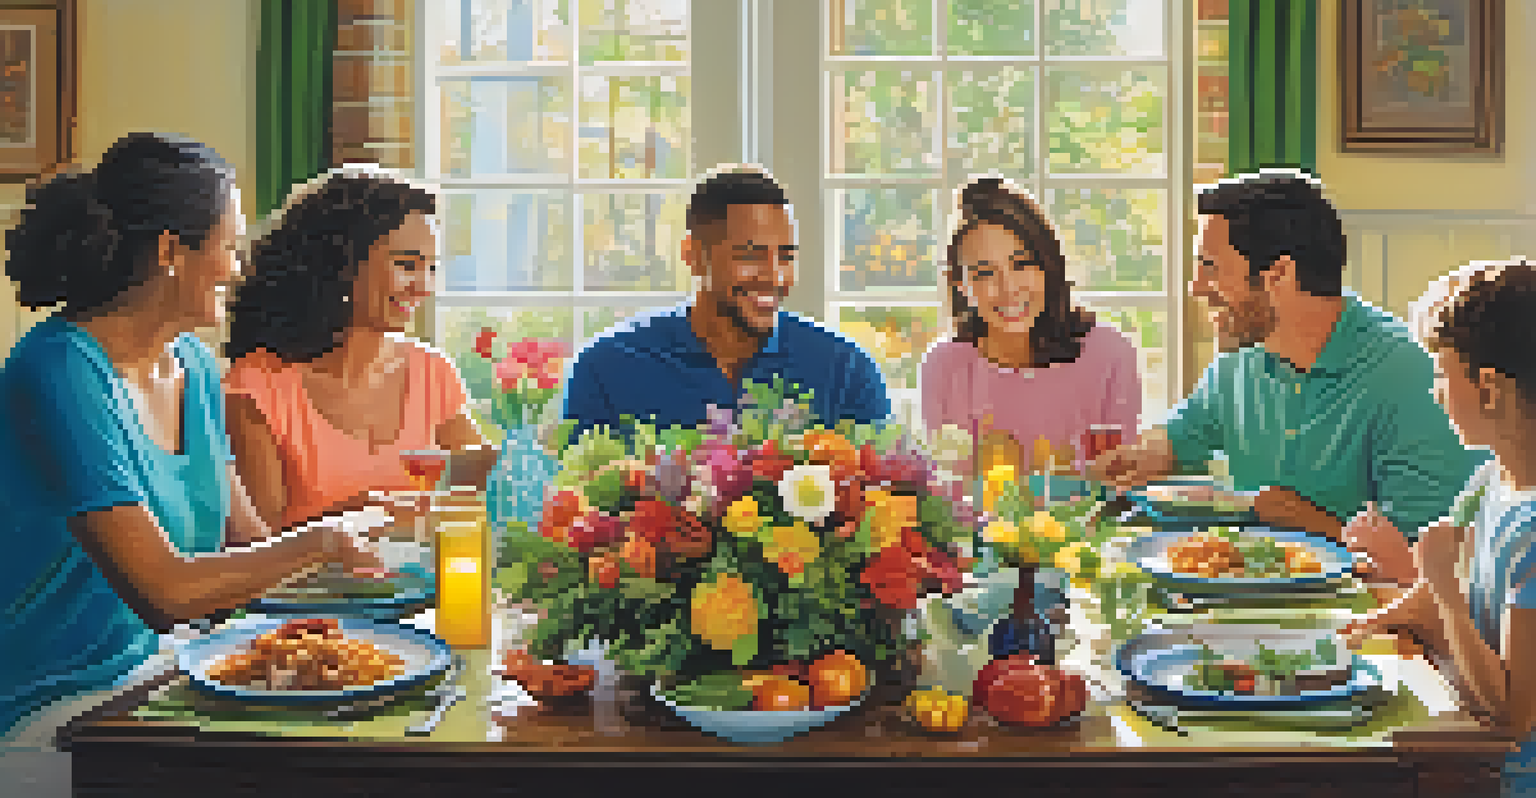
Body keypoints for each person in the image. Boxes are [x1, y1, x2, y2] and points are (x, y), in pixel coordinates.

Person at [0, 133, 377, 744]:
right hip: (56, 705)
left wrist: (386, 552)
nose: (239, 268)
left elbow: (248, 548)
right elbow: (166, 593)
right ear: (170, 251)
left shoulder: (195, 367)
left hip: (161, 674)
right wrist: (325, 542)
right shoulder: (60, 370)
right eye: (229, 247)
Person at [1088, 170, 1485, 553]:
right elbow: (1184, 433)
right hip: (1251, 588)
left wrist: (1304, 519)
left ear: (1279, 274)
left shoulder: (1410, 375)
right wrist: (1146, 456)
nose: (1196, 287)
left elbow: (1430, 561)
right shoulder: (1240, 362)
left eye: (1210, 267)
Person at [1341, 259, 1536, 795]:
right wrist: (1372, 623)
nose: (1434, 392)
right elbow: (1439, 592)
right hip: (1465, 748)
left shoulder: (1531, 535)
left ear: (1490, 390)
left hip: (1498, 781)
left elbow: (1512, 716)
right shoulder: (1490, 479)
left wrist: (1447, 595)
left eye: (1443, 375)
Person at [224, 168, 497, 532]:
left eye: (432, 268)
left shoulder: (432, 373)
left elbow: (486, 484)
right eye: (407, 265)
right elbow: (260, 541)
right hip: (312, 574)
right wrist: (363, 514)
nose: (423, 286)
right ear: (341, 264)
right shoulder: (259, 385)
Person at [563, 165, 890, 435]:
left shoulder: (846, 370)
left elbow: (883, 489)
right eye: (751, 256)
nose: (775, 277)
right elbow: (580, 492)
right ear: (693, 255)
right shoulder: (605, 369)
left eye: (786, 257)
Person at [922, 176, 1141, 475]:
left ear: (1048, 266)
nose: (1009, 289)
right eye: (985, 273)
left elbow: (1118, 483)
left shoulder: (1110, 355)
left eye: (1022, 264)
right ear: (960, 284)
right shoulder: (944, 368)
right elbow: (949, 490)